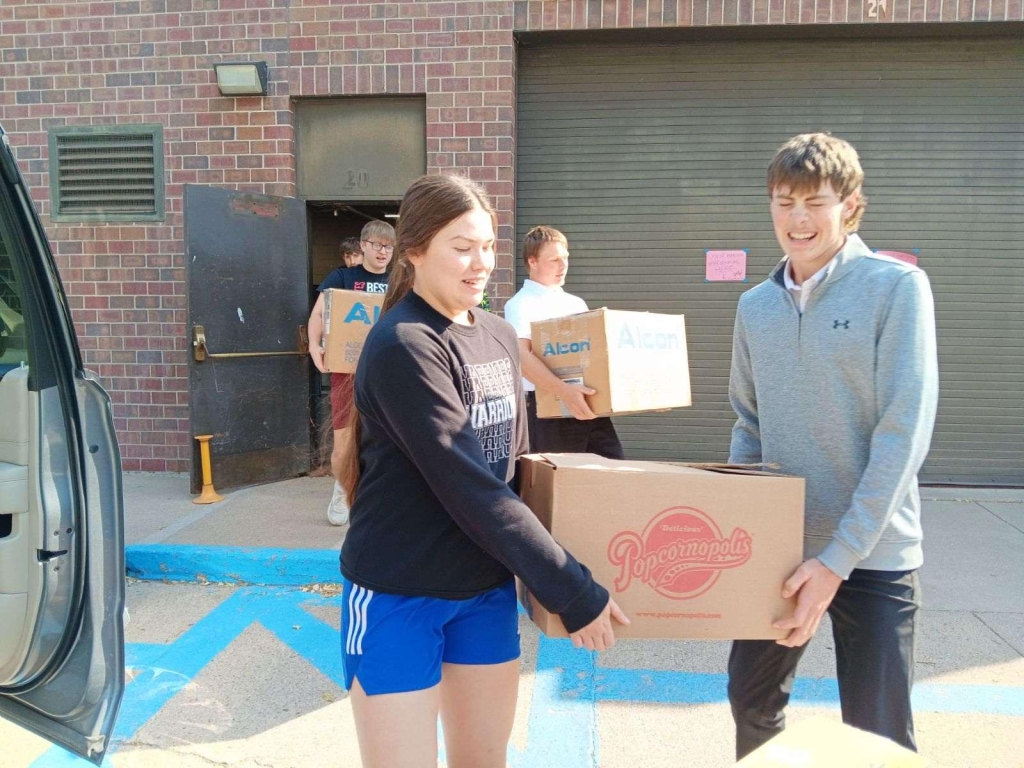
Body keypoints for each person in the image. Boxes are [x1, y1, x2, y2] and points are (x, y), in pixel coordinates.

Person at [336, 174, 628, 767]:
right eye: (461, 246)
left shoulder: (496, 334)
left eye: (489, 246)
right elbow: (469, 485)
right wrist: (570, 588)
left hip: (482, 592)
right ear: (414, 249)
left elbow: (516, 471)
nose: (480, 263)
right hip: (399, 592)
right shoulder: (405, 345)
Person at [726, 133, 939, 759]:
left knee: (877, 731)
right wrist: (747, 524)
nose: (797, 219)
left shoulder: (896, 288)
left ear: (849, 205)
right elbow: (748, 424)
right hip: (780, 550)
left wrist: (839, 557)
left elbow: (903, 432)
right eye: (783, 201)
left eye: (815, 202)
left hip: (874, 553)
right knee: (751, 703)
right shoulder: (754, 306)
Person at [502, 226, 624, 458]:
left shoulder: (575, 303)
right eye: (554, 259)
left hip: (586, 403)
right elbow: (522, 357)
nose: (563, 265)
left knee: (611, 470)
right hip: (548, 408)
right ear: (533, 261)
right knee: (558, 482)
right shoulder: (520, 305)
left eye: (565, 258)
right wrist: (564, 391)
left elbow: (593, 354)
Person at [308, 219, 395, 526]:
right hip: (346, 371)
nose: (383, 252)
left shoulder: (400, 279)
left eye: (388, 246)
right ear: (363, 245)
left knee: (387, 437)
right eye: (376, 245)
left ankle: (378, 495)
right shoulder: (343, 277)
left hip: (386, 370)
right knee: (344, 436)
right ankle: (342, 489)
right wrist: (314, 345)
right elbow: (319, 313)